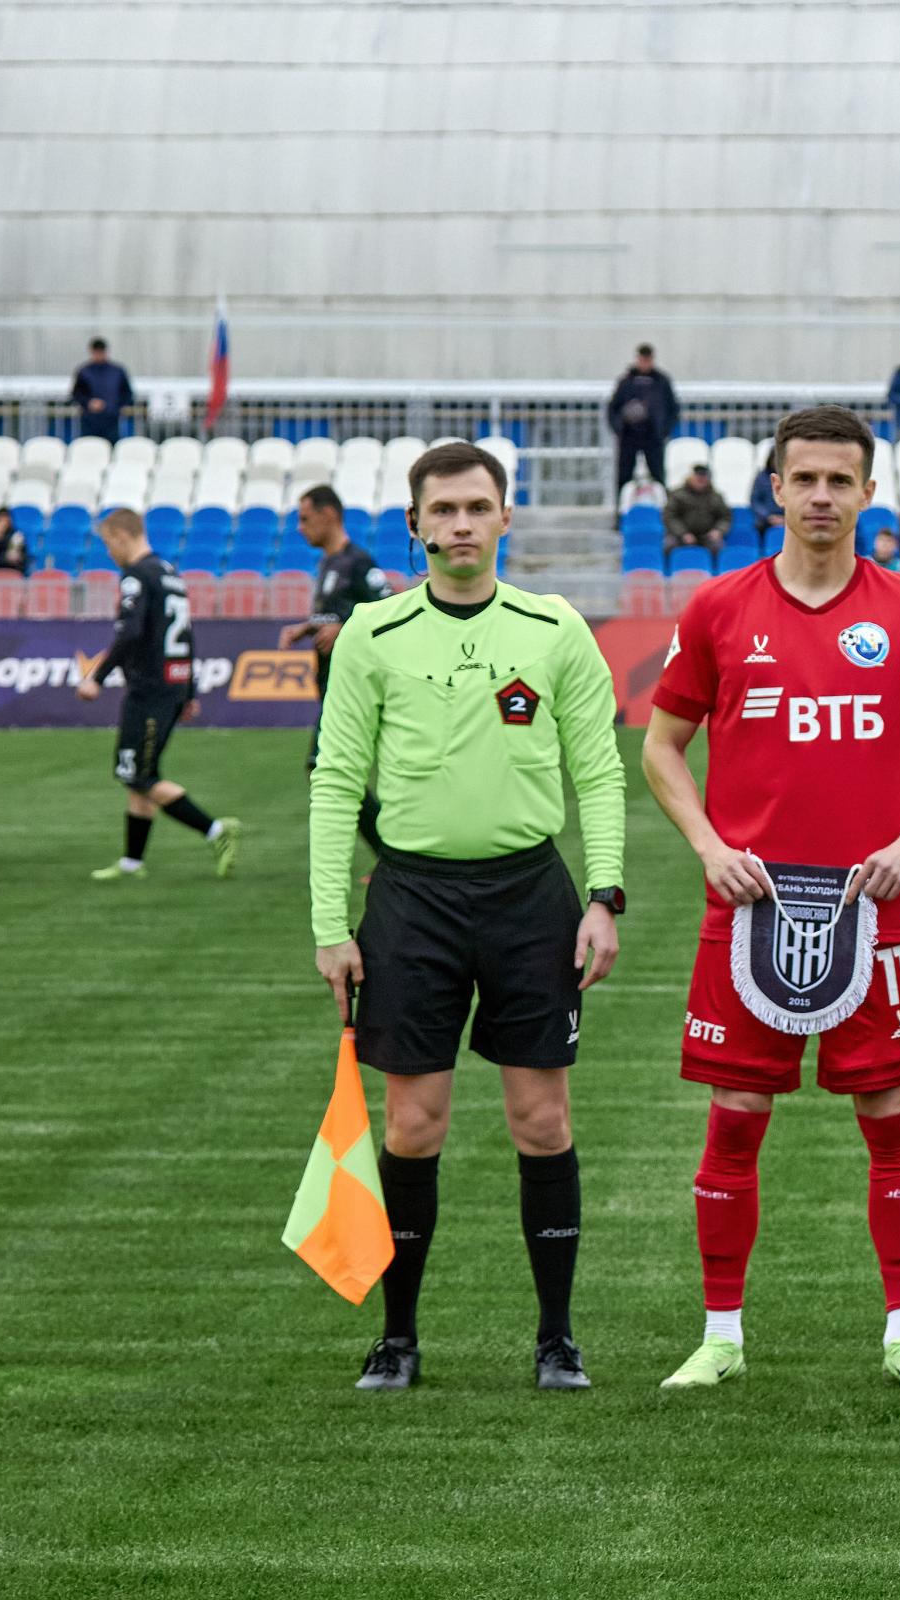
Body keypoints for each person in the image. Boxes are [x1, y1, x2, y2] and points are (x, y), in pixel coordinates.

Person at [641, 405, 900, 1394]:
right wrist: (710, 847)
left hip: (874, 912)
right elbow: (661, 747)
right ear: (776, 490)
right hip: (749, 908)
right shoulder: (719, 609)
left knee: (889, 1109)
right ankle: (720, 1334)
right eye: (806, 480)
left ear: (869, 492)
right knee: (736, 1113)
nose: (823, 496)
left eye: (842, 481)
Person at [310, 441, 626, 1393]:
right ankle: (398, 1338)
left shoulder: (555, 628)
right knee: (414, 1125)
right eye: (442, 510)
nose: (460, 525)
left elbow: (599, 771)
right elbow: (335, 781)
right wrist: (331, 925)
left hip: (531, 898)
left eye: (477, 507)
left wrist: (604, 896)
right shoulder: (372, 634)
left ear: (504, 517)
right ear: (414, 526)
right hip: (411, 902)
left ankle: (557, 1339)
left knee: (542, 1118)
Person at [76, 509, 241, 882]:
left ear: (122, 536)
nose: (109, 553)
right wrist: (189, 690)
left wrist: (96, 677)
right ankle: (132, 862)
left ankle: (216, 830)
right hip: (171, 685)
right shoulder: (169, 574)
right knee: (139, 773)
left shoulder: (137, 576)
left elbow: (131, 632)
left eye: (108, 544)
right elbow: (186, 635)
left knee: (136, 774)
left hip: (150, 689)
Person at [279, 485, 389, 855]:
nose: (299, 527)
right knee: (335, 770)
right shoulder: (329, 563)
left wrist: (345, 628)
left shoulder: (359, 562)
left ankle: (391, 854)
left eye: (305, 518)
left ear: (329, 515)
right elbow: (336, 615)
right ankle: (391, 855)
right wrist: (307, 628)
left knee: (324, 767)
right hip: (330, 683)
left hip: (354, 686)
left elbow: (388, 612)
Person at [607, 344, 678, 509]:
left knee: (658, 475)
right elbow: (613, 408)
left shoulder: (661, 382)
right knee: (624, 476)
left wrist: (663, 430)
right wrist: (619, 428)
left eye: (648, 360)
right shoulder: (626, 382)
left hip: (653, 435)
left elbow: (672, 408)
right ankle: (621, 512)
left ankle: (663, 511)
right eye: (642, 359)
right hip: (629, 436)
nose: (645, 363)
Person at [663, 462, 730, 564]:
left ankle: (715, 572)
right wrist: (683, 533)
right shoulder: (677, 495)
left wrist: (718, 531)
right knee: (669, 545)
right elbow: (670, 517)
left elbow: (725, 517)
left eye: (703, 479)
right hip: (680, 535)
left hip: (707, 536)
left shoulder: (716, 497)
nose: (701, 481)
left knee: (719, 547)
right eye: (698, 479)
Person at [71, 338, 134, 443]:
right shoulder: (84, 371)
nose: (98, 355)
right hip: (90, 420)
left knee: (112, 447)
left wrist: (116, 407)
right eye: (96, 352)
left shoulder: (117, 371)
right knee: (90, 445)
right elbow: (76, 394)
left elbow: (127, 393)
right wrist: (89, 402)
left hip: (111, 419)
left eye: (101, 352)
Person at [748, 444, 786, 548]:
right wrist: (769, 517)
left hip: (788, 519)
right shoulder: (761, 477)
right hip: (766, 521)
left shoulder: (791, 476)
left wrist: (785, 518)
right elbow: (755, 501)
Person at [0, 508, 28, 575]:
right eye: (0, 519)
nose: (3, 522)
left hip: (11, 569)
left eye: (5, 518)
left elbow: (14, 557)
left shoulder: (16, 536)